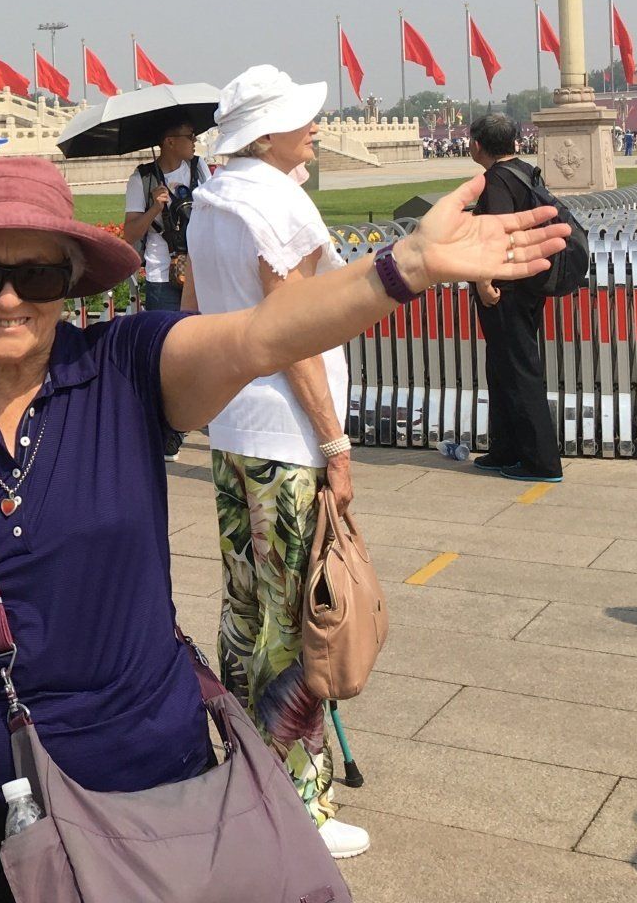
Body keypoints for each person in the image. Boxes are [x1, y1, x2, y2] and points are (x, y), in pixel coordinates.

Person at [0, 155, 566, 902]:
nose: (10, 299)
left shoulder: (127, 369)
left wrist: (403, 270)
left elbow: (261, 336)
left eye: (37, 273)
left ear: (73, 281)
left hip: (144, 776)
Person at [181, 65, 365, 857]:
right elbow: (297, 335)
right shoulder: (275, 202)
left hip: (235, 430)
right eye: (301, 119)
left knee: (247, 612)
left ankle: (246, 774)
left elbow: (195, 314)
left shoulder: (210, 201)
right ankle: (299, 807)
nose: (313, 128)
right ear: (265, 135)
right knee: (297, 625)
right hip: (287, 436)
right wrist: (334, 441)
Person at [465, 112, 563, 484]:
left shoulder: (495, 181)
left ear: (477, 145)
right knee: (503, 367)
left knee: (519, 369)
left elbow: (496, 235)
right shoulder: (525, 171)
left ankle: (541, 461)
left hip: (505, 289)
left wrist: (483, 281)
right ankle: (506, 447)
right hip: (528, 283)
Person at [123, 119, 208, 457]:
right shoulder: (142, 178)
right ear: (170, 142)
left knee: (203, 347)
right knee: (167, 353)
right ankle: (169, 427)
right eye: (189, 136)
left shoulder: (199, 170)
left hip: (200, 273)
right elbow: (130, 232)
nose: (194, 141)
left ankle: (194, 417)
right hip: (162, 275)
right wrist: (155, 208)